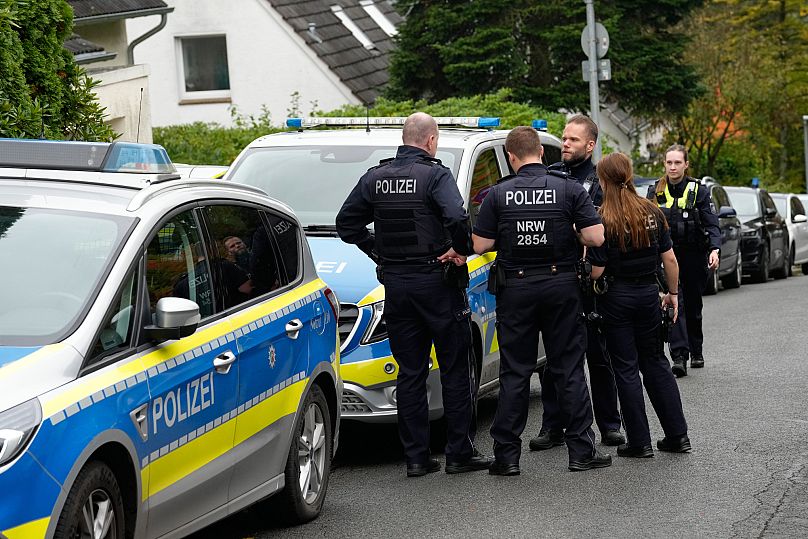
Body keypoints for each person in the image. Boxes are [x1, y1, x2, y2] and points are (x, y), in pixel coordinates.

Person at [336, 112, 490, 477]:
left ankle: (417, 458)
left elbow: (347, 224)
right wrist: (461, 249)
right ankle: (458, 454)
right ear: (431, 140)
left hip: (397, 286)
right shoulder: (435, 174)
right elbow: (455, 214)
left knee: (410, 372)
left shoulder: (375, 178)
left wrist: (377, 250)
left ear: (404, 139)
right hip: (437, 283)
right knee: (454, 368)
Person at [472, 126, 612, 474]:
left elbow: (479, 245)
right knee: (568, 370)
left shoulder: (498, 194)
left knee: (515, 373)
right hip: (561, 287)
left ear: (510, 156)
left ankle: (506, 457)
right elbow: (596, 237)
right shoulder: (567, 189)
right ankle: (582, 452)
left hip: (515, 290)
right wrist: (570, 229)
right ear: (540, 152)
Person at [531, 114, 625, 451]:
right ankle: (553, 426)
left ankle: (610, 425)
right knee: (556, 360)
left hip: (594, 283)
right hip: (558, 278)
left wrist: (598, 268)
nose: (565, 144)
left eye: (573, 140)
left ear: (590, 144)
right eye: (564, 138)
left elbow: (610, 233)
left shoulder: (603, 184)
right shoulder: (550, 177)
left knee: (600, 358)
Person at [588, 152, 691, 457]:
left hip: (616, 298)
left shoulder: (602, 217)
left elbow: (596, 270)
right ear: (630, 175)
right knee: (656, 362)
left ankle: (640, 442)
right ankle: (678, 436)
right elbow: (669, 259)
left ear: (603, 179)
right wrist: (672, 294)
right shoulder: (652, 211)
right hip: (649, 295)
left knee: (626, 368)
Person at [648, 145, 720, 376]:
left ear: (686, 164)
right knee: (674, 299)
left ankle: (696, 349)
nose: (672, 167)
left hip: (694, 255)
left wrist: (714, 250)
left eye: (677, 162)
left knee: (693, 305)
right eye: (669, 162)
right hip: (667, 255)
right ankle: (679, 356)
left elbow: (711, 223)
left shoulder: (699, 190)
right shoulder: (656, 190)